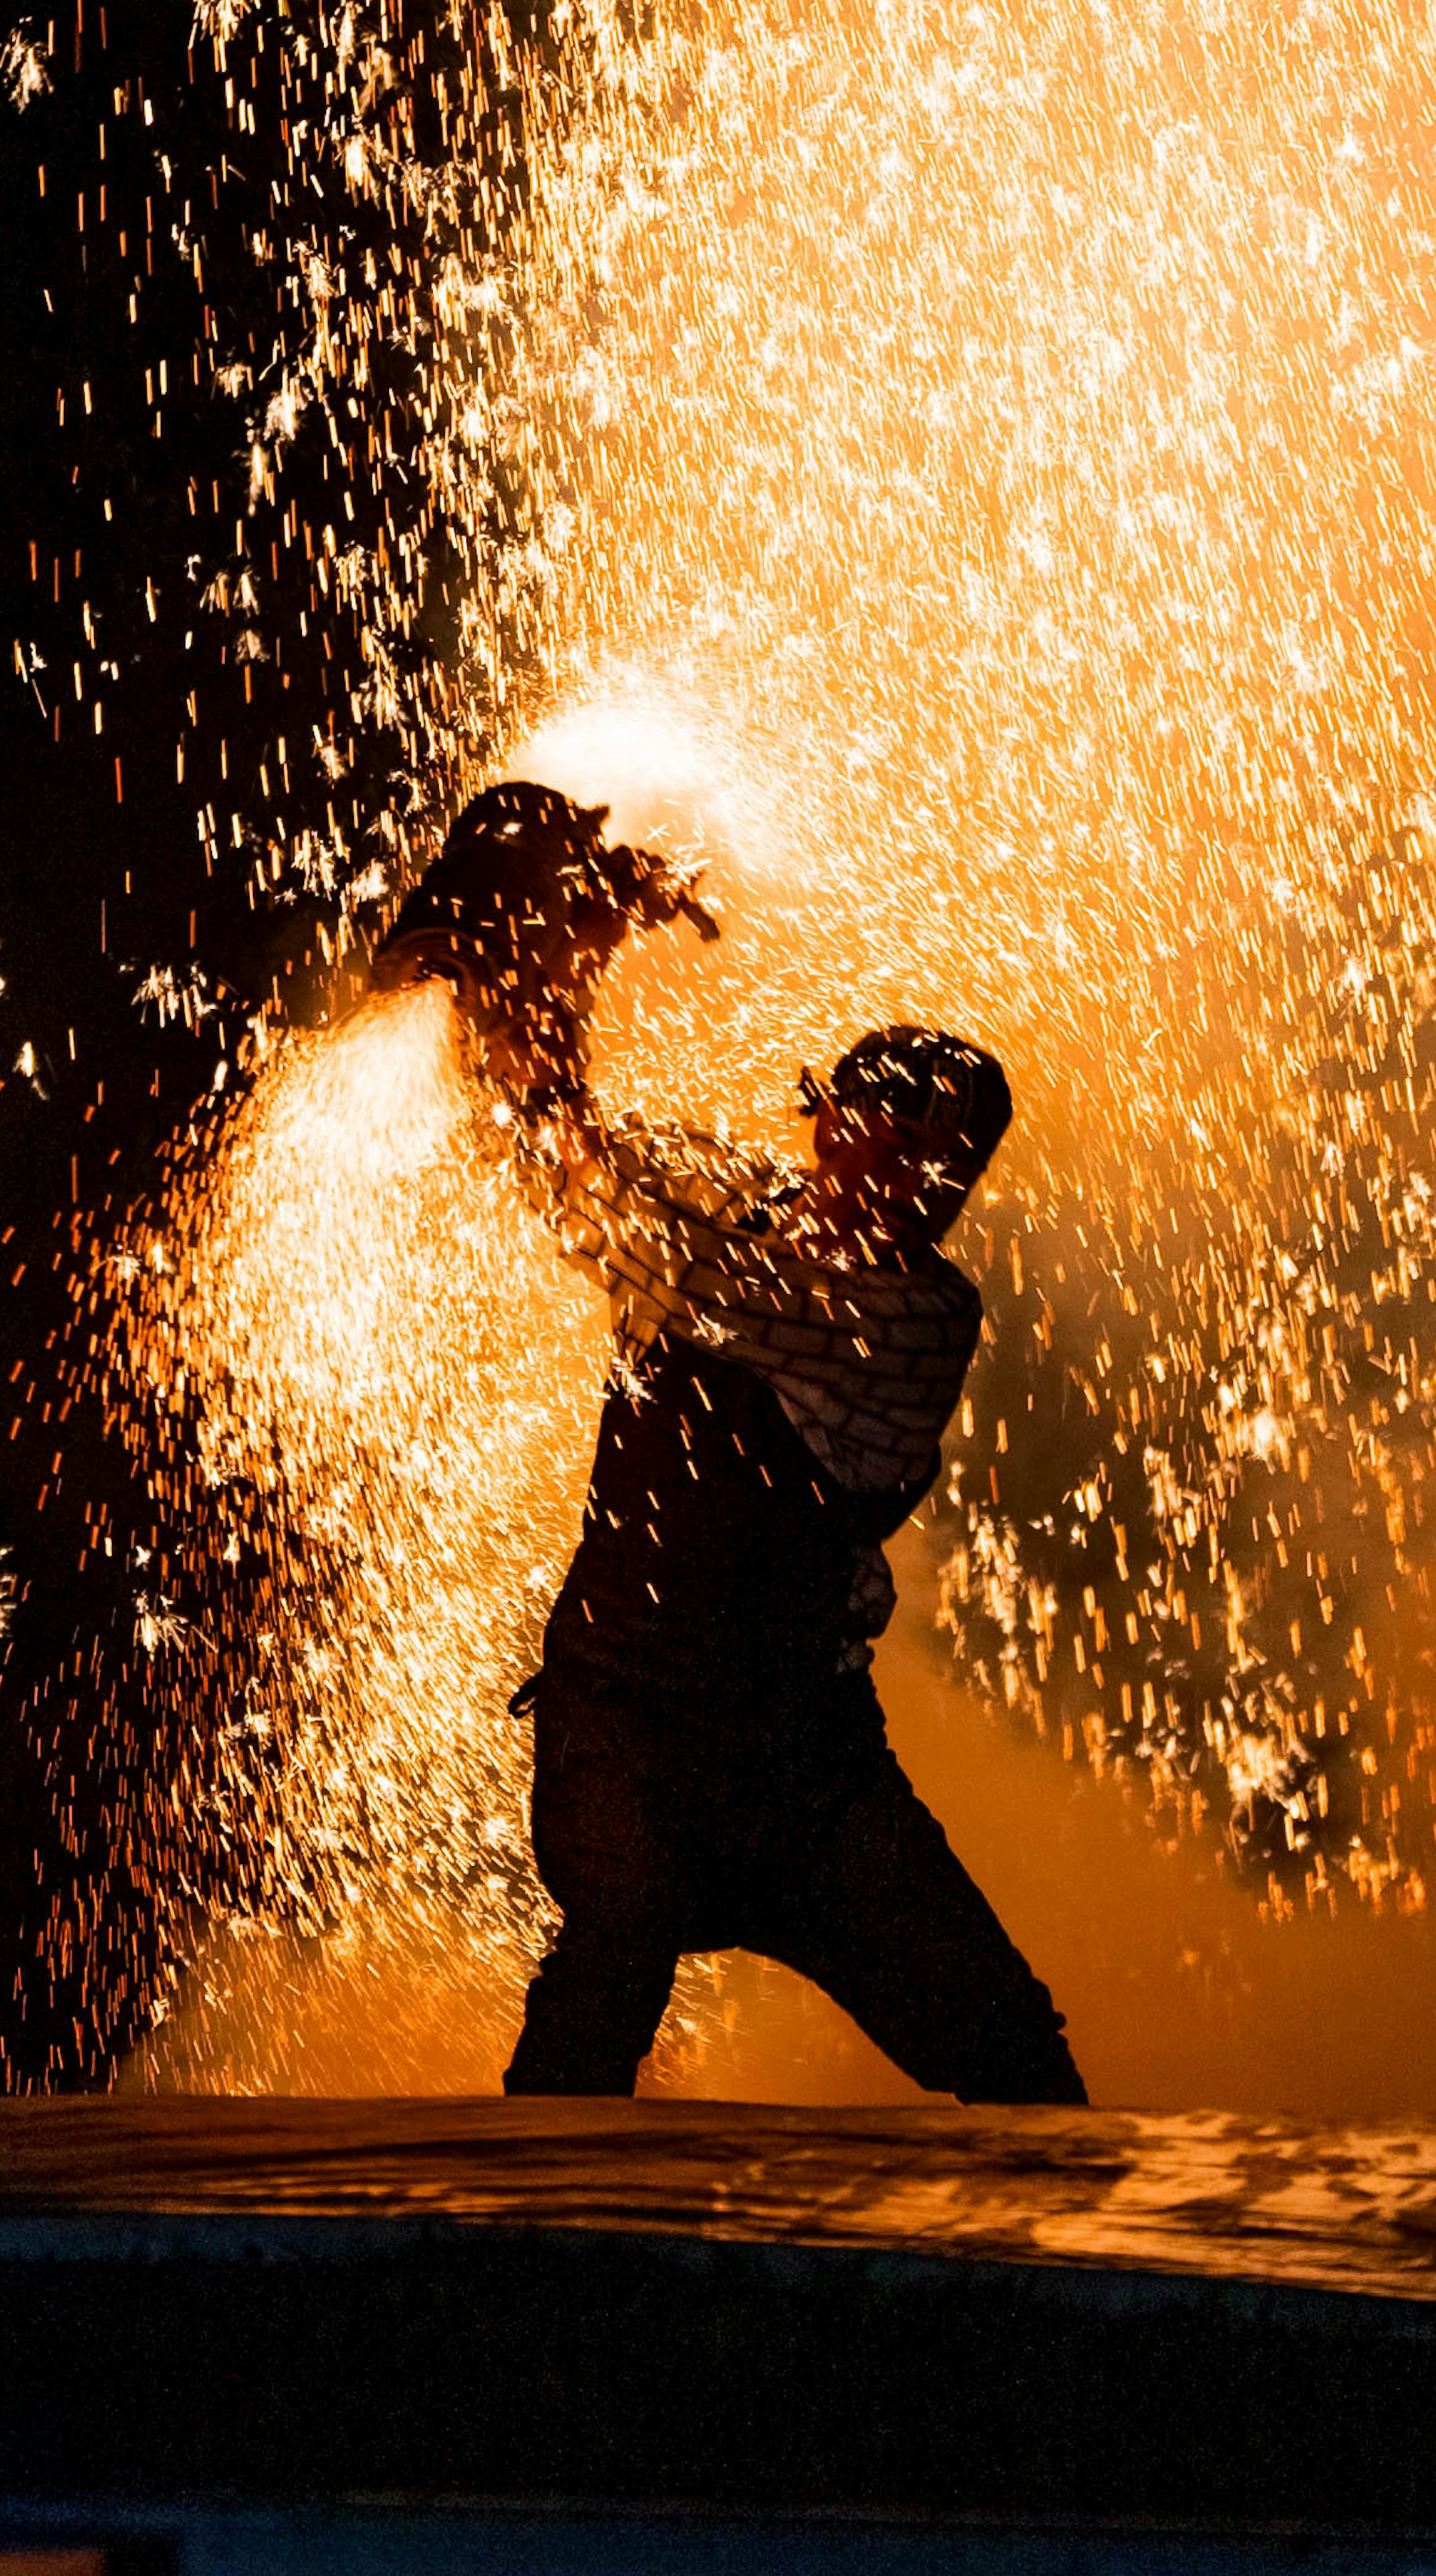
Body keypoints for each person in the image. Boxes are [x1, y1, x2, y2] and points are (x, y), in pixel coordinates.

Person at [370, 786, 1086, 2103]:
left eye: (938, 1158)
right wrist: (539, 966)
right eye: (883, 1131)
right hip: (622, 1721)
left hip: (804, 1767)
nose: (903, 1174)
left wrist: (554, 970)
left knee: (1012, 2055)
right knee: (614, 1956)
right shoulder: (730, 1202)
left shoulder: (922, 1317)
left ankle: (1089, 2297)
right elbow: (551, 1142)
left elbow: (653, 1236)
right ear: (830, 1124)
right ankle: (514, 2257)